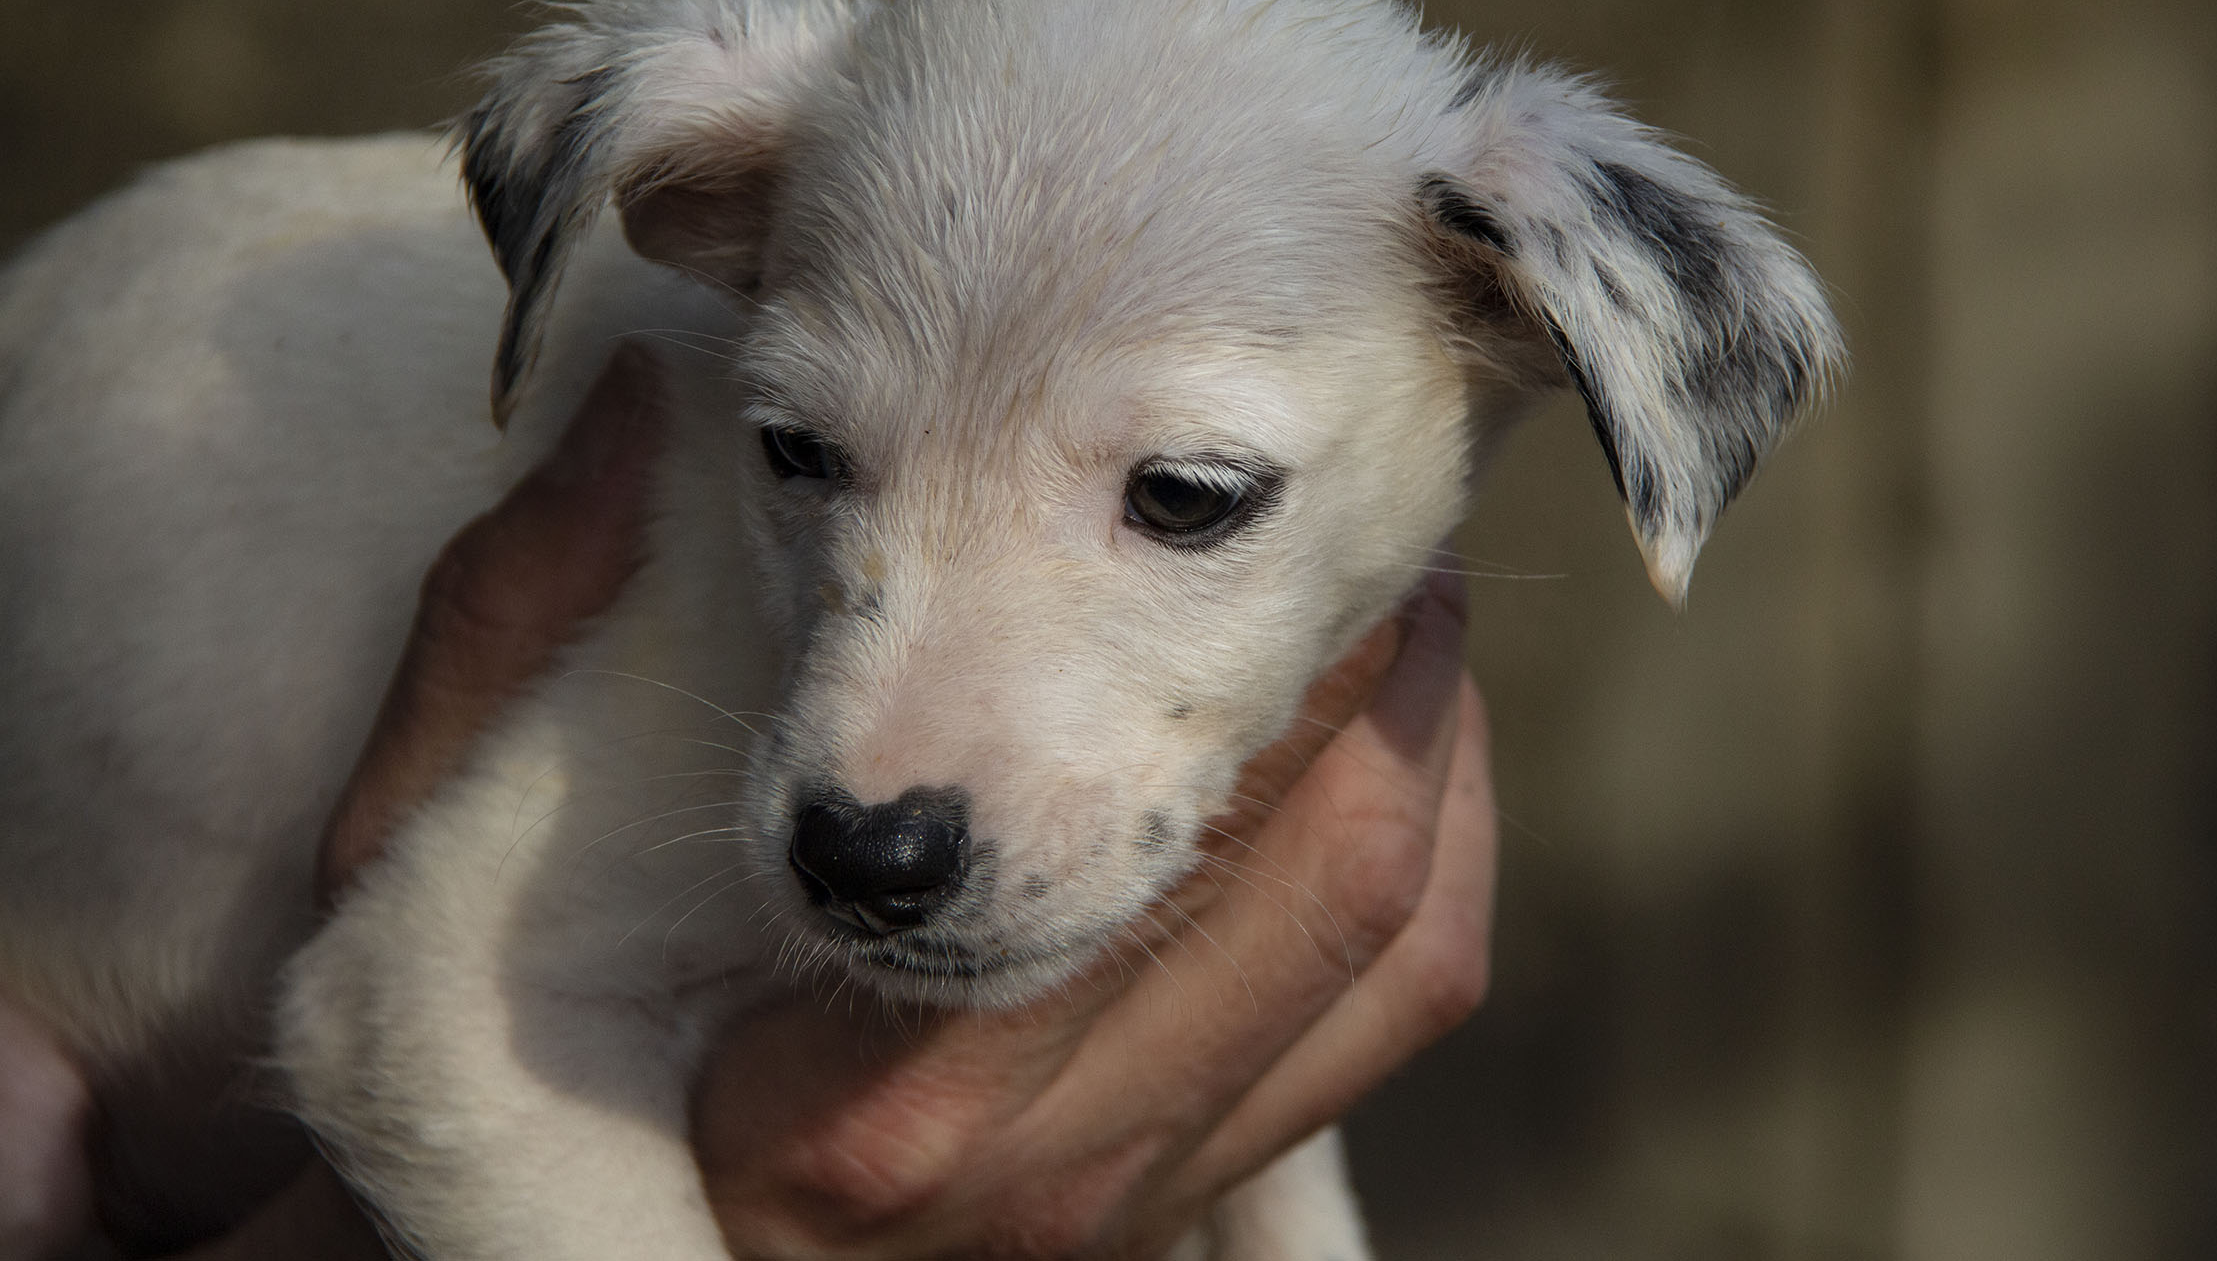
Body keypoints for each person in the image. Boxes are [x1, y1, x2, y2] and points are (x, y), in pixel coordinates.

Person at [0, 352, 1497, 1259]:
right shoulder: (692, 411)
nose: (879, 788)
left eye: (1180, 493)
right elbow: (434, 1019)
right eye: (806, 453)